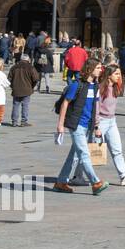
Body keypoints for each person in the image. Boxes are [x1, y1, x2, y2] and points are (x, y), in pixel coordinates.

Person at [51, 59, 109, 195]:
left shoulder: (95, 86)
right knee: (84, 154)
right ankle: (95, 183)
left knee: (74, 155)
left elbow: (95, 106)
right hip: (76, 125)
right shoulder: (76, 85)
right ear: (90, 69)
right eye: (98, 67)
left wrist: (96, 126)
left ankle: (61, 182)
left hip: (88, 125)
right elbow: (65, 103)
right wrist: (60, 125)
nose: (101, 70)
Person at [96, 64, 125, 185]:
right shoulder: (101, 89)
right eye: (116, 74)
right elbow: (95, 107)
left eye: (119, 73)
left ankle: (123, 176)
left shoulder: (116, 87)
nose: (119, 76)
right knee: (90, 151)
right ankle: (76, 175)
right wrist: (96, 125)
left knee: (117, 150)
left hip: (112, 121)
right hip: (101, 121)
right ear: (108, 75)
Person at [9, 53, 39, 127]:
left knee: (16, 105)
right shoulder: (30, 67)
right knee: (25, 105)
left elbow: (9, 79)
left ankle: (14, 121)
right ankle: (23, 121)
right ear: (28, 59)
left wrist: (12, 86)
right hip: (27, 89)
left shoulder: (14, 67)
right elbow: (36, 79)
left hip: (16, 89)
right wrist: (32, 86)